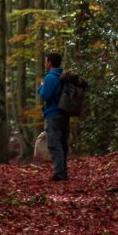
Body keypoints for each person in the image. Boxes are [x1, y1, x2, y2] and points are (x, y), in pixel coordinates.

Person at [38, 52, 69, 181]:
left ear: (49, 62)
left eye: (46, 61)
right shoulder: (62, 76)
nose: (45, 63)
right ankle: (63, 172)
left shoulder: (50, 77)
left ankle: (59, 174)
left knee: (54, 144)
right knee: (62, 144)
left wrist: (40, 87)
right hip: (64, 113)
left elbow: (45, 96)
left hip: (53, 114)